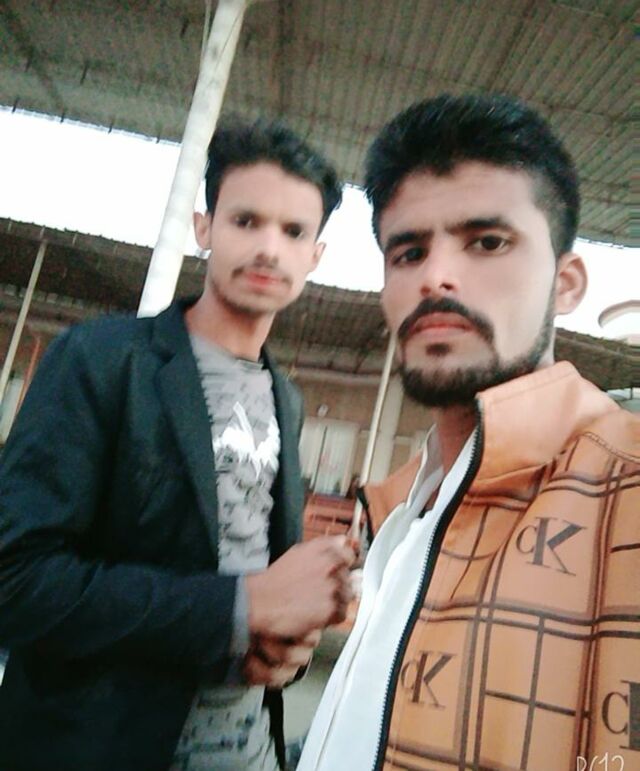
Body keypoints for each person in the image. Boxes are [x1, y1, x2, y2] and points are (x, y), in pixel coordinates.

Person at [0, 118, 357, 771]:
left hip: (248, 750)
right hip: (101, 746)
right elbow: (16, 580)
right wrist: (240, 607)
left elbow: (260, 571)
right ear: (203, 227)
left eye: (293, 231)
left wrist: (284, 645)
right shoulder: (103, 360)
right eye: (246, 221)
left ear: (316, 256)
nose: (269, 248)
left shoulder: (286, 398)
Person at [298, 94, 639, 770]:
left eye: (487, 242)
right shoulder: (400, 512)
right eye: (408, 252)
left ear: (566, 283)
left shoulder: (623, 495)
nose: (435, 277)